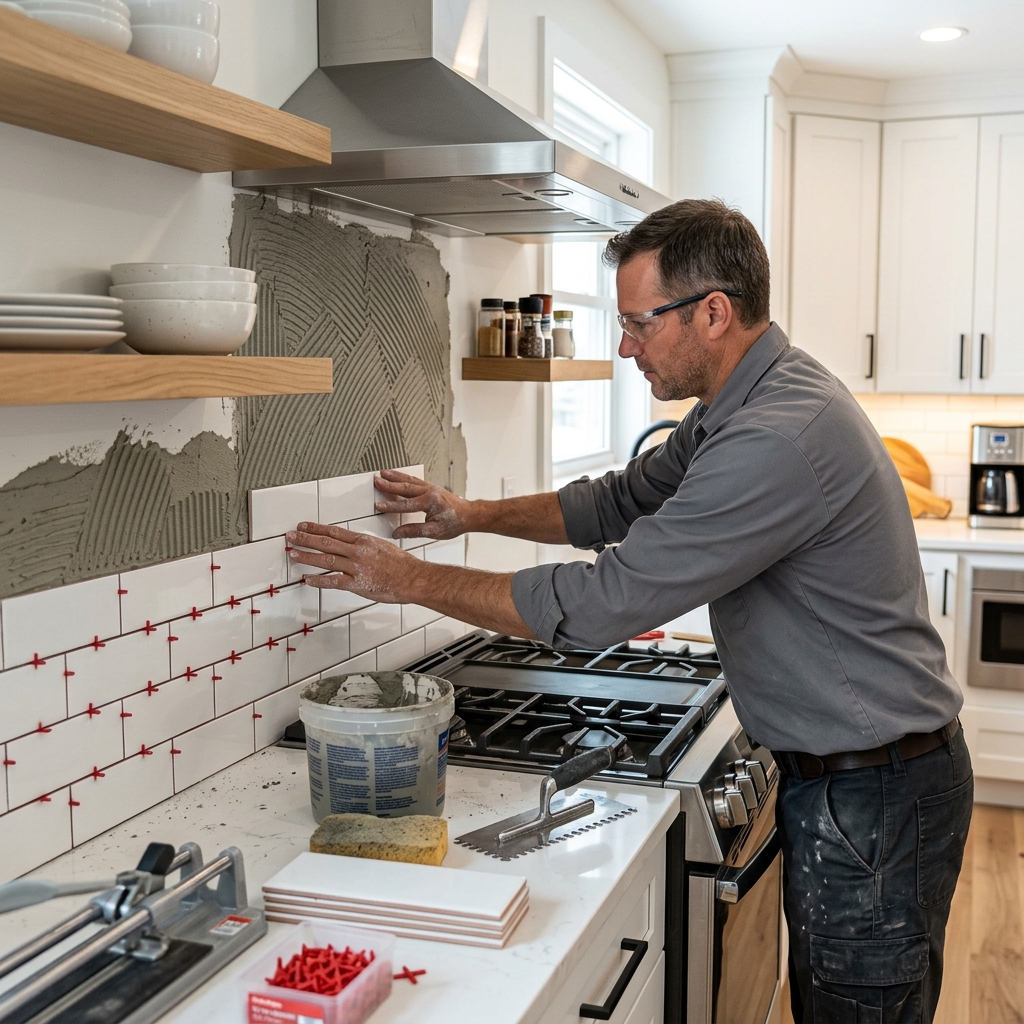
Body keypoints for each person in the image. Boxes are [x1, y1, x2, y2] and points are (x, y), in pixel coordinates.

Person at [287, 199, 972, 1024]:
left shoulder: (776, 436)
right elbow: (618, 502)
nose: (624, 346)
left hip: (877, 793)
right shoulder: (740, 404)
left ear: (713, 312)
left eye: (639, 322)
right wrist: (469, 514)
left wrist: (407, 579)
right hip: (854, 780)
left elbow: (603, 602)